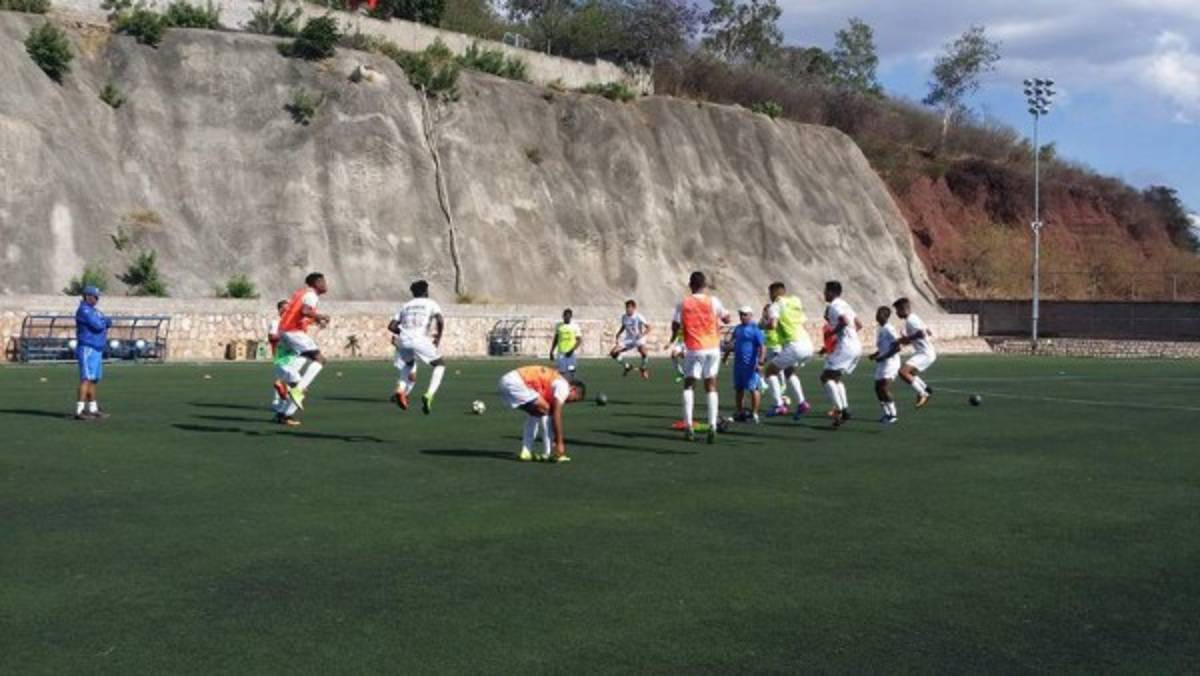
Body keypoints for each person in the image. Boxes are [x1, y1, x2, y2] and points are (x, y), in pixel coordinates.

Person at [672, 271, 731, 443]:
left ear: (690, 285)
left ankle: (689, 426)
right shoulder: (714, 301)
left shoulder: (683, 303)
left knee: (689, 385)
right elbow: (727, 319)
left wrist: (677, 335)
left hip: (694, 348)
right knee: (711, 386)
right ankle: (712, 425)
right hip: (712, 348)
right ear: (705, 285)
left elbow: (675, 325)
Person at [497, 365, 586, 463]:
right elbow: (556, 415)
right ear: (573, 389)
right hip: (515, 382)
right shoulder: (564, 387)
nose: (570, 402)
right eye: (574, 399)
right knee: (545, 409)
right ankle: (548, 453)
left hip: (504, 382)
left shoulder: (556, 383)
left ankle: (526, 452)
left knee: (536, 412)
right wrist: (559, 442)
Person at [388, 280, 446, 415]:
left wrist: (404, 333)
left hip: (403, 340)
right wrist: (438, 337)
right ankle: (429, 395)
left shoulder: (405, 306)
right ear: (426, 291)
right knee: (440, 364)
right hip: (419, 339)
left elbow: (391, 326)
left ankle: (400, 390)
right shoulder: (431, 303)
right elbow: (440, 319)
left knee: (409, 365)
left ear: (413, 293)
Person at [762, 282, 814, 420]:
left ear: (774, 293)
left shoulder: (775, 306)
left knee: (769, 372)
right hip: (807, 343)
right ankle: (802, 403)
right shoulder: (795, 301)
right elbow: (802, 321)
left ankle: (778, 404)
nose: (769, 296)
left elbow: (773, 325)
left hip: (794, 344)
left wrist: (763, 325)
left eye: (770, 293)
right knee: (789, 372)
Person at [279, 272, 330, 410]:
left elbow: (298, 313)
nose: (326, 285)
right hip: (293, 331)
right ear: (316, 283)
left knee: (302, 357)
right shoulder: (311, 295)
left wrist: (316, 320)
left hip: (285, 330)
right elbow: (305, 311)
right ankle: (298, 389)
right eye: (323, 282)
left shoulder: (302, 293)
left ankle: (285, 391)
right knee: (320, 359)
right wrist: (321, 316)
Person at [820, 281, 862, 429]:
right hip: (856, 345)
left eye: (826, 291)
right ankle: (844, 410)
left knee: (825, 377)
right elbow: (859, 324)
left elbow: (844, 321)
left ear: (831, 292)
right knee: (836, 378)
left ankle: (839, 410)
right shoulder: (846, 304)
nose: (824, 293)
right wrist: (848, 335)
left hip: (846, 346)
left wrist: (833, 333)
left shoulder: (834, 305)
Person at [73, 286, 112, 420]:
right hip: (88, 347)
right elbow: (98, 325)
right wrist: (104, 322)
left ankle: (93, 409)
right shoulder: (84, 310)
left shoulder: (94, 311)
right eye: (95, 296)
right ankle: (79, 410)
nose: (97, 299)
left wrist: (104, 322)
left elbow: (107, 321)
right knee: (86, 378)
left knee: (94, 379)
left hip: (97, 347)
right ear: (88, 296)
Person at [723, 307, 766, 423]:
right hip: (738, 365)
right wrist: (726, 356)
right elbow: (732, 343)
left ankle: (754, 414)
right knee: (739, 388)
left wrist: (761, 361)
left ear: (751, 315)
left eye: (745, 314)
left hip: (751, 365)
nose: (742, 316)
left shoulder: (755, 329)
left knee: (753, 388)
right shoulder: (738, 328)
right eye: (741, 314)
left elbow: (762, 346)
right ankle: (739, 412)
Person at [894, 297, 936, 408]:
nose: (896, 313)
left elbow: (921, 333)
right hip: (926, 352)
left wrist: (906, 338)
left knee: (902, 372)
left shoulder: (911, 321)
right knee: (910, 373)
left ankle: (923, 393)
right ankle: (926, 388)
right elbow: (928, 332)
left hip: (925, 353)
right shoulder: (915, 317)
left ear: (903, 309)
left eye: (897, 310)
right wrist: (904, 340)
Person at [268, 299, 302, 426]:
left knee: (291, 386)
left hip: (294, 357)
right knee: (298, 386)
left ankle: (281, 413)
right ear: (280, 310)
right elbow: (272, 337)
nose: (288, 310)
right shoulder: (276, 323)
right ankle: (286, 414)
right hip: (282, 358)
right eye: (285, 308)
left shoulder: (292, 323)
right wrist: (285, 336)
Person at [868, 306, 902, 424]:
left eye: (880, 314)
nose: (877, 316)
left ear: (886, 316)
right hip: (883, 362)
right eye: (877, 313)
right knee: (877, 388)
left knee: (884, 387)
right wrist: (875, 354)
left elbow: (897, 347)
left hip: (891, 362)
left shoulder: (889, 329)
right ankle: (887, 413)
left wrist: (883, 357)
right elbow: (884, 347)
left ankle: (893, 415)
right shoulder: (881, 329)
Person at [609, 299, 652, 379]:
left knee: (644, 352)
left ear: (634, 308)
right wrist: (618, 333)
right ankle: (627, 366)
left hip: (638, 339)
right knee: (613, 353)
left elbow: (649, 327)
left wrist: (642, 335)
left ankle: (643, 368)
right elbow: (624, 326)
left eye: (629, 307)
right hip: (628, 339)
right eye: (626, 307)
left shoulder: (638, 316)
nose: (627, 309)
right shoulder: (624, 316)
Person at [760, 304, 787, 415]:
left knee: (777, 368)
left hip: (776, 346)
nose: (766, 313)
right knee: (761, 366)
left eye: (767, 311)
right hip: (767, 347)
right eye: (765, 311)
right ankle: (763, 384)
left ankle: (782, 384)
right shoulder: (762, 321)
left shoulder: (775, 320)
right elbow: (760, 330)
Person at [549, 308, 582, 378]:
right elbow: (556, 339)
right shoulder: (559, 325)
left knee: (571, 371)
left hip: (571, 355)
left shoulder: (575, 326)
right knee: (561, 373)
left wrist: (572, 350)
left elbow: (579, 340)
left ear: (571, 317)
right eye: (565, 316)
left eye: (568, 316)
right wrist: (551, 351)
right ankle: (563, 383)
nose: (567, 318)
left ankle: (571, 383)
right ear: (563, 316)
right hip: (561, 354)